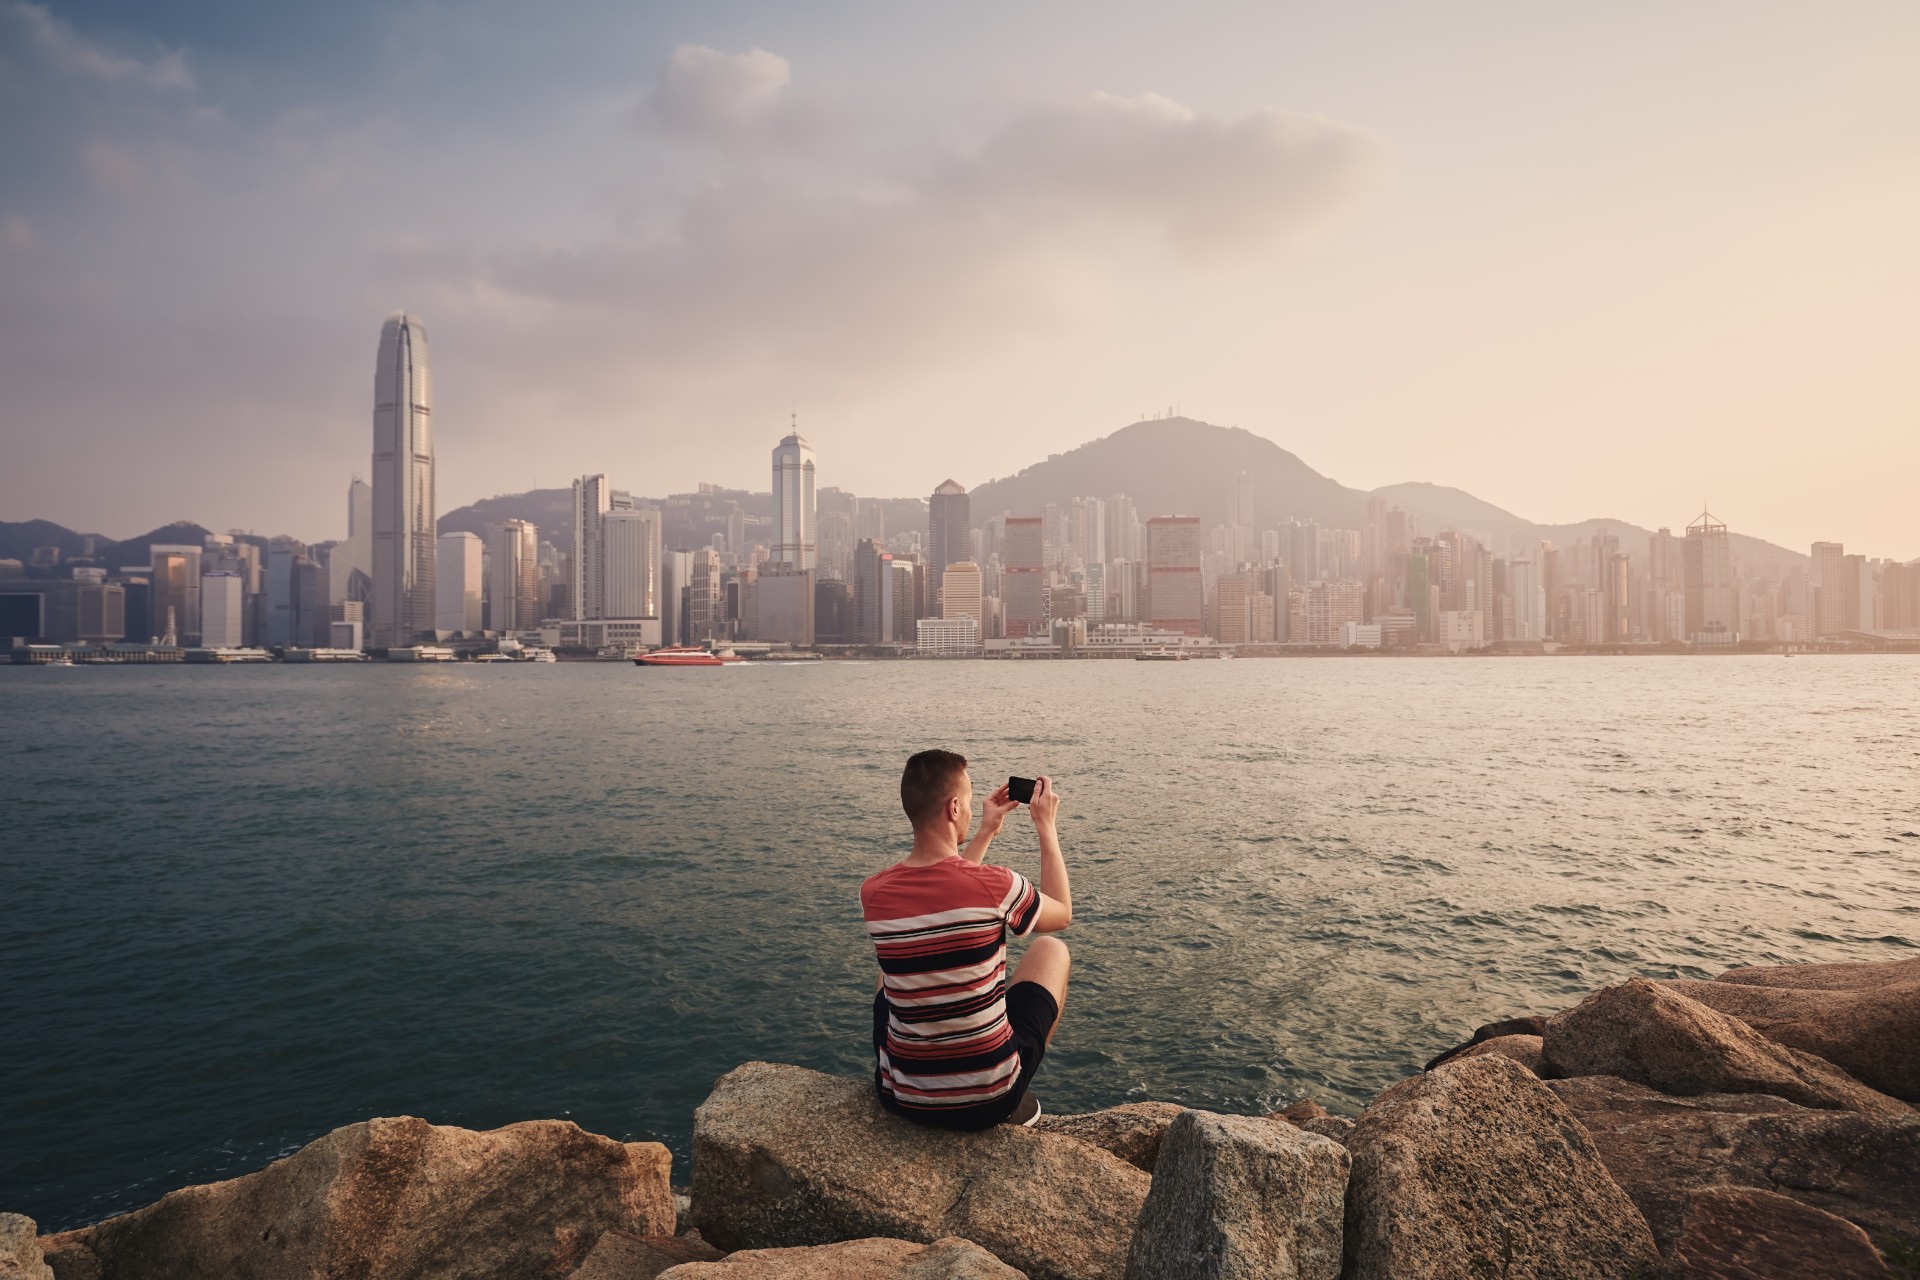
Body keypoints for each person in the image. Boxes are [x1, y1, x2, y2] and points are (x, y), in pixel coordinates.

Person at [860, 749, 1073, 1129]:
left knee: (885, 978)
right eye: (971, 802)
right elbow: (1060, 912)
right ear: (955, 808)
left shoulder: (873, 892)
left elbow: (948, 889)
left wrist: (986, 831)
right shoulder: (996, 884)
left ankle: (927, 1075)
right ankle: (1013, 1091)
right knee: (1051, 949)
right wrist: (1046, 825)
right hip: (988, 1101)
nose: (973, 811)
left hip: (901, 1096)